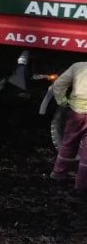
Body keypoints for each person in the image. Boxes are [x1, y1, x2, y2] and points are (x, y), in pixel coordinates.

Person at [51, 60, 87, 194]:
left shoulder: (77, 66)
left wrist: (62, 102)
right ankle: (81, 186)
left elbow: (58, 85)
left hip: (76, 112)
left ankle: (58, 175)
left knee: (67, 143)